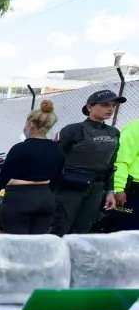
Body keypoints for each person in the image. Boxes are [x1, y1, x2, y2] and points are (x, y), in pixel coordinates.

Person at [0, 100, 65, 234]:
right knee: (37, 244)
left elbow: (3, 177)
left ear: (31, 125)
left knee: (17, 244)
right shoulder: (58, 150)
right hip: (45, 199)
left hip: (19, 199)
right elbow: (57, 178)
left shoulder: (20, 149)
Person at [50, 89, 123, 236]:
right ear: (89, 107)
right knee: (59, 230)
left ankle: (75, 259)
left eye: (113, 105)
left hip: (96, 190)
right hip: (70, 188)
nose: (110, 109)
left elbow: (110, 165)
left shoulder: (114, 132)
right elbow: (53, 159)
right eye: (105, 105)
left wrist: (110, 192)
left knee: (82, 233)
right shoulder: (73, 130)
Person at [110, 118, 139, 231]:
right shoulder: (135, 128)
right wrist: (118, 188)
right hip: (134, 190)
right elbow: (120, 160)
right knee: (127, 231)